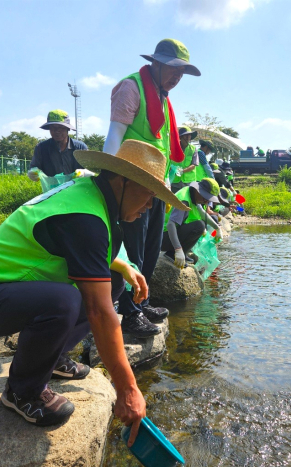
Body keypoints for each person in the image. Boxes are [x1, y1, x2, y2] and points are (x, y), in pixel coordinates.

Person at [0, 140, 189, 439]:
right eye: (149, 195)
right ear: (122, 181)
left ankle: (54, 356)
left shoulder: (91, 196)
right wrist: (128, 389)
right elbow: (99, 312)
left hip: (6, 290)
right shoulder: (85, 216)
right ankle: (22, 392)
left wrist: (125, 267)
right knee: (67, 300)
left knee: (108, 282)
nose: (151, 207)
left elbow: (88, 254)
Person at [103, 38, 200, 337]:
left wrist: (167, 182)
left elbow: (164, 147)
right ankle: (129, 313)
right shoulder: (132, 88)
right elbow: (115, 134)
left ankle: (141, 304)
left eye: (181, 73)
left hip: (156, 184)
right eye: (172, 69)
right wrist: (107, 181)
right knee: (131, 247)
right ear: (155, 63)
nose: (177, 77)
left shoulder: (162, 96)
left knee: (148, 247)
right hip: (131, 184)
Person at [161, 178, 223, 268]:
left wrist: (217, 227)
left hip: (168, 235)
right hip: (163, 237)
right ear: (198, 191)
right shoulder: (184, 201)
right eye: (205, 198)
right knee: (199, 226)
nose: (206, 202)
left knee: (200, 224)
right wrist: (178, 249)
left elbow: (202, 213)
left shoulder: (193, 195)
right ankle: (172, 253)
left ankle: (183, 253)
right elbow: (171, 225)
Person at [27, 110, 89, 180]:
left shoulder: (80, 148)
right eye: (53, 127)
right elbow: (34, 168)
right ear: (49, 129)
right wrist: (33, 173)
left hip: (77, 189)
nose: (57, 131)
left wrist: (84, 173)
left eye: (61, 127)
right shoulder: (41, 148)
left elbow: (91, 170)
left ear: (68, 128)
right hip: (53, 189)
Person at [171, 126, 199, 193]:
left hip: (188, 182)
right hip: (175, 181)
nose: (188, 137)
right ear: (180, 137)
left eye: (189, 135)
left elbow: (194, 164)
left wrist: (182, 171)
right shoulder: (173, 147)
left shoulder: (193, 149)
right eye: (185, 135)